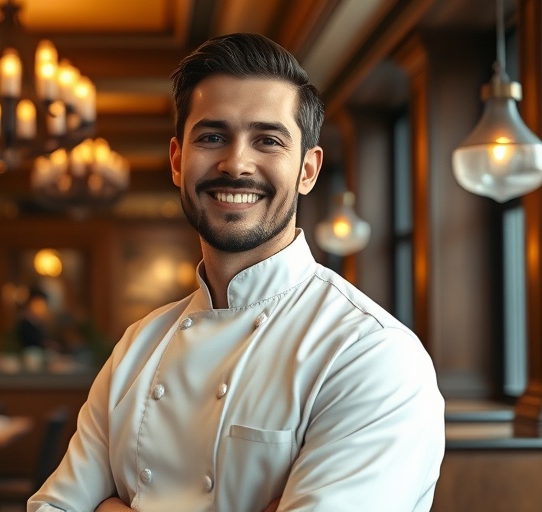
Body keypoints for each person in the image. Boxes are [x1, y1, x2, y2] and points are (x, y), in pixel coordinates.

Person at [29, 33, 444, 512]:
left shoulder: (370, 353)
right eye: (212, 137)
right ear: (177, 161)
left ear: (307, 170)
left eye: (267, 140)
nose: (236, 163)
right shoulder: (137, 346)